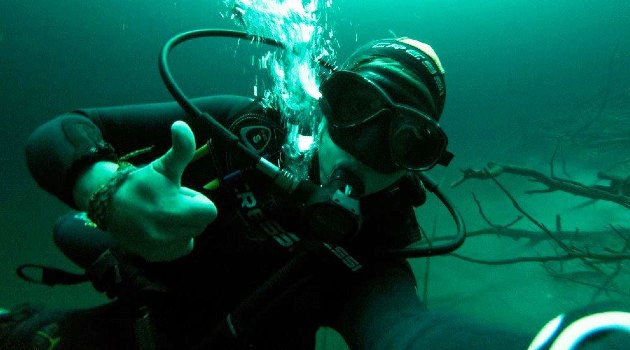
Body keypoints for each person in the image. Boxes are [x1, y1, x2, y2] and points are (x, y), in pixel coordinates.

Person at [3, 36, 628, 350]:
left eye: (401, 140)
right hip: (135, 303)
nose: (360, 146)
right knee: (64, 260)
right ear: (325, 102)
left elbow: (405, 333)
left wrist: (576, 338)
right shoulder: (244, 128)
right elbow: (59, 132)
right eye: (355, 108)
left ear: (419, 162)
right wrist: (104, 184)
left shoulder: (380, 246)